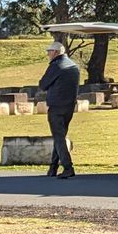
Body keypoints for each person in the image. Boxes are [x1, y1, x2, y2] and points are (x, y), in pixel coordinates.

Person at [40, 40, 80, 179]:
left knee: (58, 137)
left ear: (56, 52)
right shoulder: (73, 66)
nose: (48, 54)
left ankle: (68, 167)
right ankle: (53, 167)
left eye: (49, 52)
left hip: (56, 105)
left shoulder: (56, 66)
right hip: (69, 105)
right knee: (60, 137)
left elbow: (43, 84)